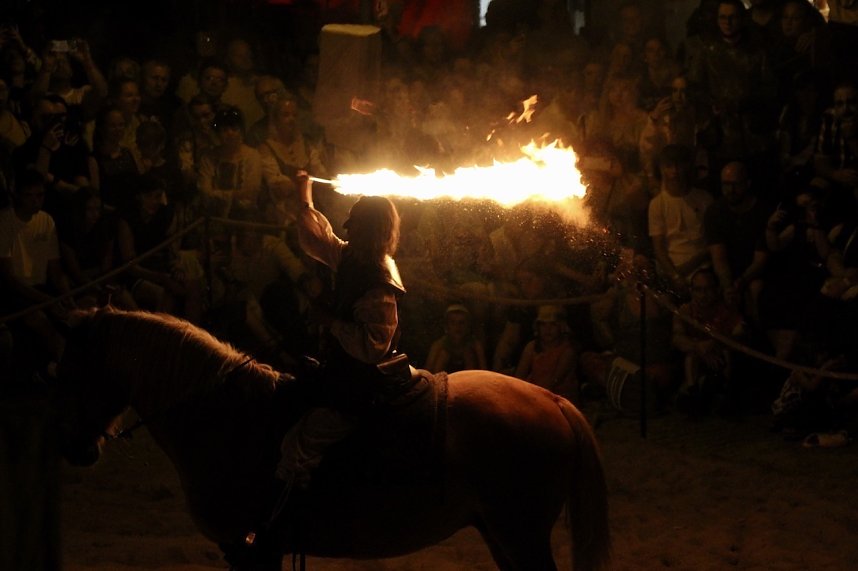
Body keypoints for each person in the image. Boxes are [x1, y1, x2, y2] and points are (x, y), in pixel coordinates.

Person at [276, 170, 407, 493]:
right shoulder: (352, 257)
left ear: (371, 231)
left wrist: (330, 322)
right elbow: (318, 240)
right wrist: (303, 193)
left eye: (354, 223)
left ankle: (290, 514)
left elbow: (372, 347)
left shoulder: (379, 283)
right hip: (344, 372)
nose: (346, 228)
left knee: (299, 444)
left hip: (363, 384)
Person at [514, 304, 579, 401]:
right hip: (535, 393)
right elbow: (519, 377)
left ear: (561, 326)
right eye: (543, 324)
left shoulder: (568, 350)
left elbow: (553, 382)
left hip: (560, 399)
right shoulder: (531, 347)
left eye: (553, 324)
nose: (547, 329)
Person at [424, 303, 488, 374]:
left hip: (469, 379)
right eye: (453, 322)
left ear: (468, 326)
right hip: (444, 379)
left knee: (469, 354)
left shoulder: (475, 345)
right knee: (443, 354)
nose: (457, 326)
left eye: (462, 323)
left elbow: (484, 370)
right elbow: (428, 370)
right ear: (446, 326)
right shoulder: (438, 345)